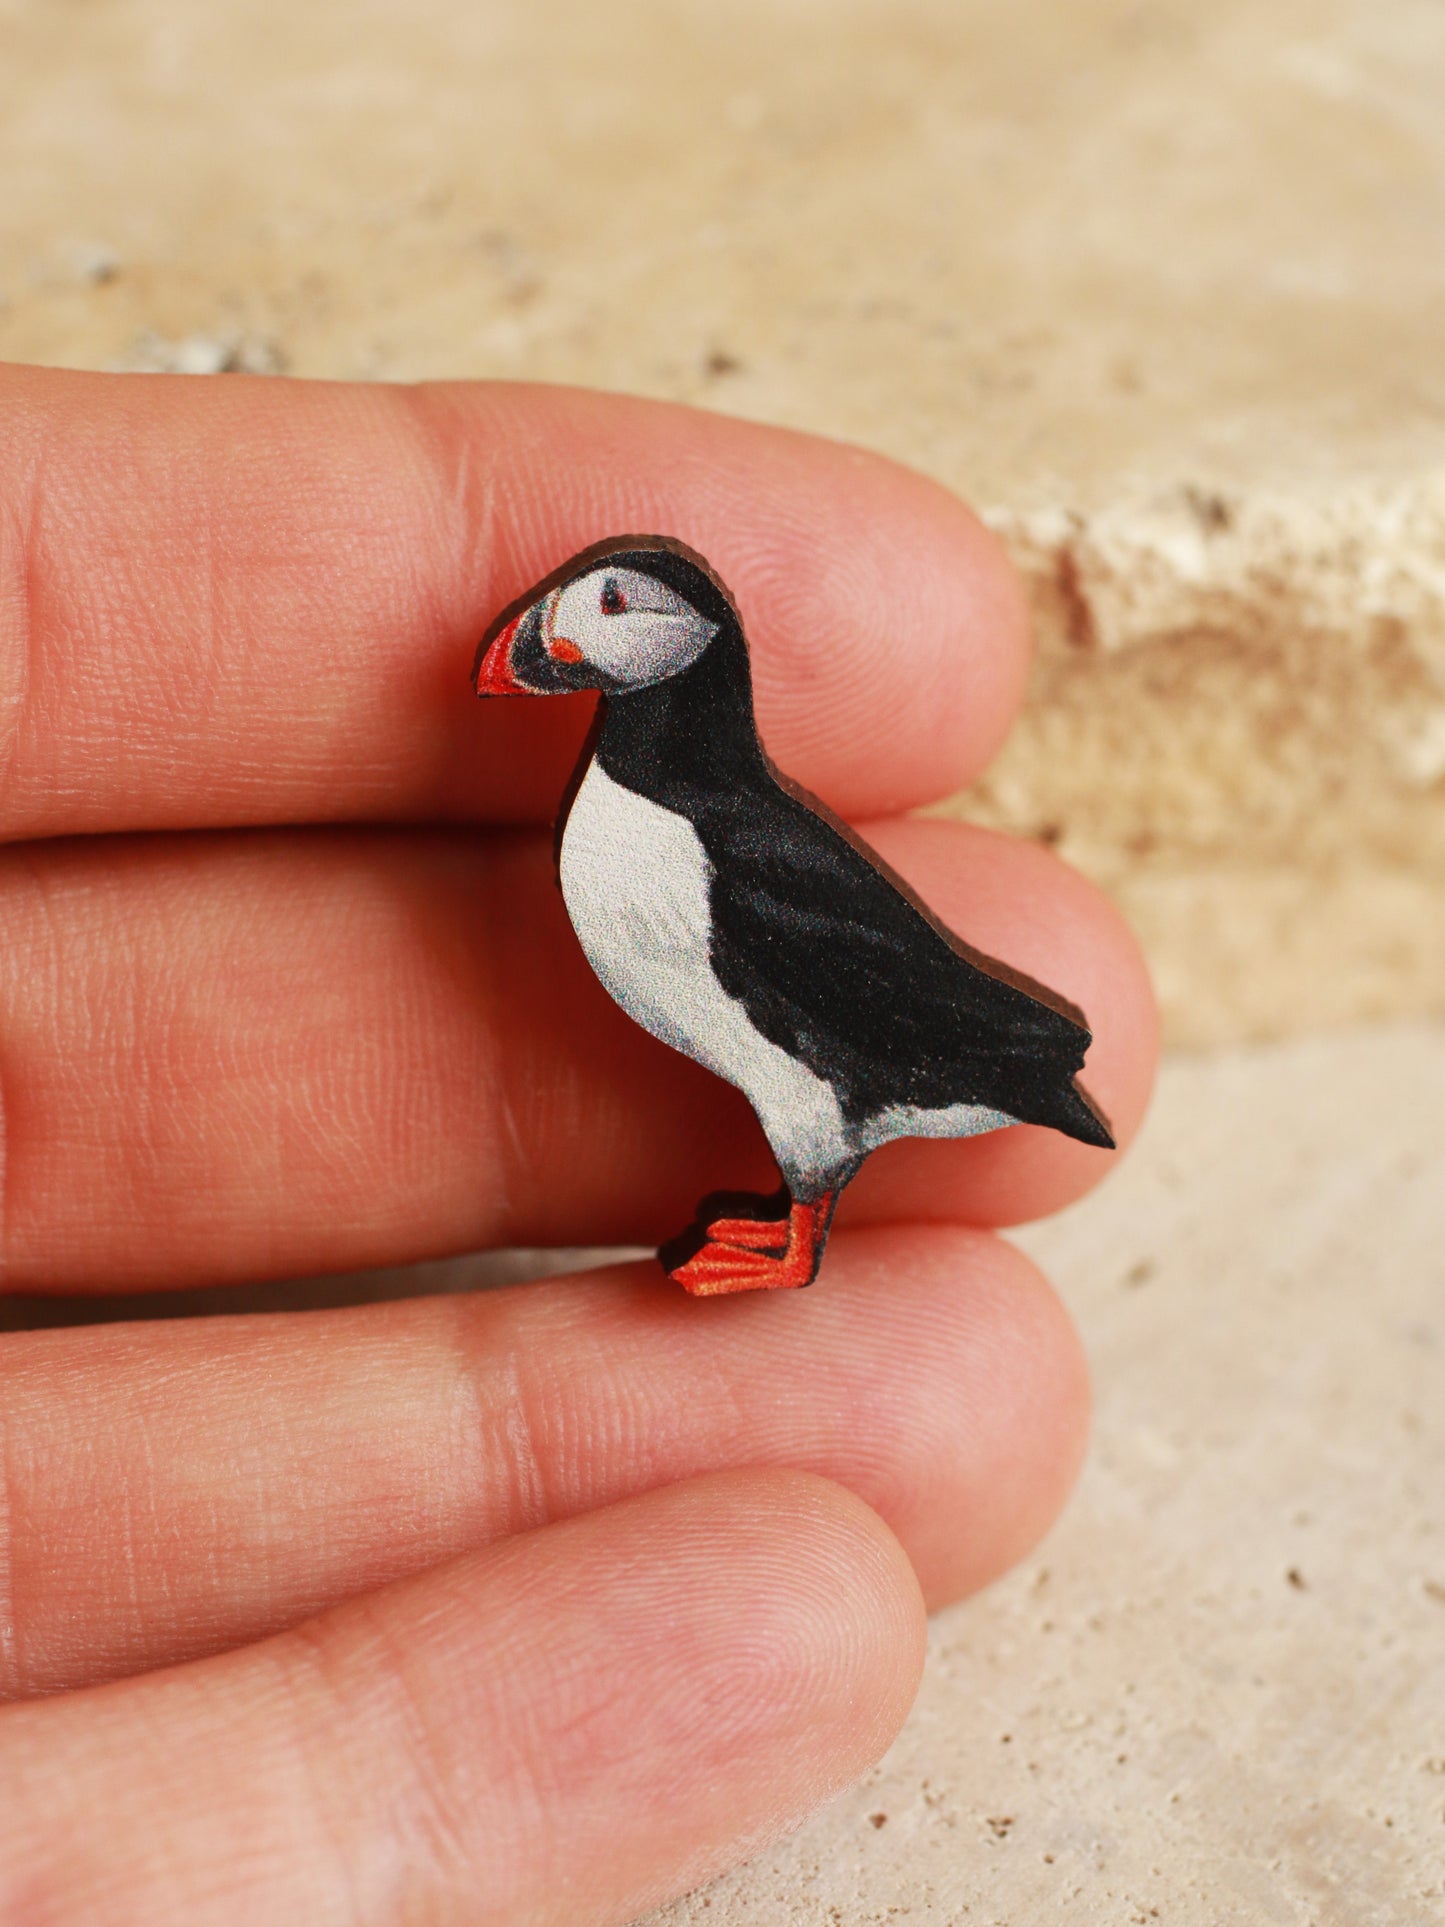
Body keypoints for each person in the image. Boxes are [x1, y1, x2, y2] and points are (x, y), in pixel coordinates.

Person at [0, 365, 1156, 1923]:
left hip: (894, 1058)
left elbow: (823, 985)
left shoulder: (696, 840)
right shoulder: (645, 826)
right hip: (796, 989)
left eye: (604, 609)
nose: (556, 628)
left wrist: (987, 1069)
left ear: (687, 649)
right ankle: (789, 1212)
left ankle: (797, 1221)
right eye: (569, 608)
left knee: (803, 1074)